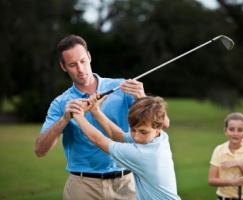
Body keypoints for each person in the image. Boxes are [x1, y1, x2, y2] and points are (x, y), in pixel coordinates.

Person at [34, 35, 170, 200]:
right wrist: (64, 119)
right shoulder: (60, 103)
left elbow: (164, 124)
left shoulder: (121, 87)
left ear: (89, 57)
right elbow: (40, 150)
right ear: (63, 67)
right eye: (72, 65)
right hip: (83, 185)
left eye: (83, 61)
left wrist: (141, 97)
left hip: (126, 182)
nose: (80, 69)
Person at [72, 94, 180, 200]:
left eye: (143, 132)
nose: (136, 137)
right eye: (133, 130)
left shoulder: (141, 154)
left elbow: (99, 140)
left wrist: (78, 116)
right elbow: (119, 136)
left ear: (158, 128)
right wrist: (96, 111)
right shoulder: (160, 138)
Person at [208, 112, 243, 200]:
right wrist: (232, 182)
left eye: (240, 130)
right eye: (231, 129)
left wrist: (240, 164)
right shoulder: (219, 150)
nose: (235, 133)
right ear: (225, 131)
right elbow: (211, 180)